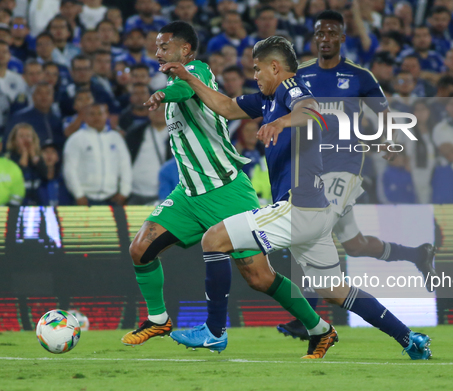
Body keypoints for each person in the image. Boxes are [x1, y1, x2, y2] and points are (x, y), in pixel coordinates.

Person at [160, 34, 432, 360]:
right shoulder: (266, 101)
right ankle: (409, 338)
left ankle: (214, 331)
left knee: (213, 239)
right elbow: (225, 106)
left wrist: (281, 123)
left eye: (258, 69)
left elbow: (312, 112)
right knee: (334, 290)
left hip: (298, 206)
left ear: (275, 67)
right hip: (313, 214)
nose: (255, 76)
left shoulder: (291, 88)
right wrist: (189, 78)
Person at [124, 22, 335, 360]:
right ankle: (158, 319)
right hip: (188, 194)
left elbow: (185, 91)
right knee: (140, 249)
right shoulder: (178, 79)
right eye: (157, 46)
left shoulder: (198, 72)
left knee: (259, 277)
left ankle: (320, 329)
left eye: (165, 46)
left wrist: (167, 92)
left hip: (226, 191)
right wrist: (168, 88)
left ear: (186, 51)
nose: (158, 52)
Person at [278, 10, 436, 340]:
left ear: (342, 39)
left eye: (332, 33)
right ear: (314, 38)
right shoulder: (300, 75)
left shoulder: (359, 76)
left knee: (313, 228)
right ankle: (417, 253)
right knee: (355, 244)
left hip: (344, 167)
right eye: (320, 33)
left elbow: (384, 113)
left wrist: (390, 140)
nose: (325, 39)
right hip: (310, 169)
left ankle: (305, 314)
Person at [62, 103, 131, 206]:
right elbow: (70, 169)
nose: (96, 117)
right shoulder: (76, 139)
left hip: (112, 198)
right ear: (85, 116)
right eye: (92, 114)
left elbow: (125, 166)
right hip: (85, 199)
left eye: (100, 113)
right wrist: (79, 195)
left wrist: (124, 192)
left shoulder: (116, 138)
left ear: (106, 115)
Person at [126, 105, 171, 205]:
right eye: (155, 109)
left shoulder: (178, 134)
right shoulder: (135, 132)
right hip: (134, 192)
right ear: (148, 112)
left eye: (162, 109)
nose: (158, 113)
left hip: (163, 194)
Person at [5, 82, 64, 150]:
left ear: (53, 98)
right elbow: (8, 143)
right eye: (39, 93)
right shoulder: (19, 117)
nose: (44, 96)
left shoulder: (57, 119)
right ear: (33, 97)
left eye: (48, 93)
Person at [4, 123, 48, 205]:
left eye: (28, 136)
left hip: (37, 200)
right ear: (14, 140)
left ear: (33, 139)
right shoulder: (9, 158)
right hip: (17, 202)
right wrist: (24, 155)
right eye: (21, 136)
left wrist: (33, 155)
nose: (25, 139)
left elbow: (45, 176)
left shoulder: (38, 157)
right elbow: (17, 177)